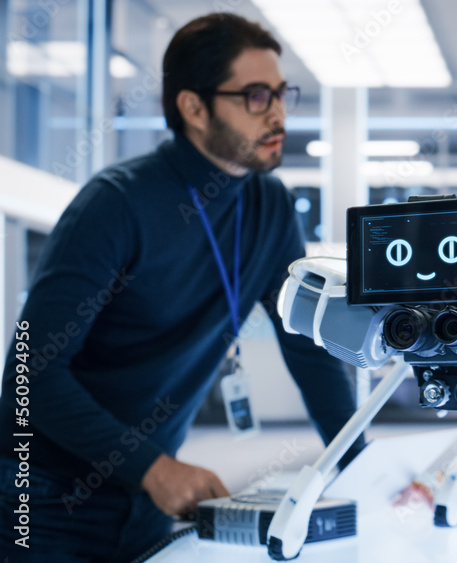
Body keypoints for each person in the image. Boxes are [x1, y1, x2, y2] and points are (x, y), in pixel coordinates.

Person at [0, 13, 362, 562]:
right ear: (194, 107)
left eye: (283, 94)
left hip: (148, 499)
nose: (280, 114)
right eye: (257, 97)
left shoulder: (271, 207)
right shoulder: (116, 205)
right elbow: (30, 374)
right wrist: (150, 466)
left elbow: (307, 346)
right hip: (45, 497)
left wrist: (364, 464)